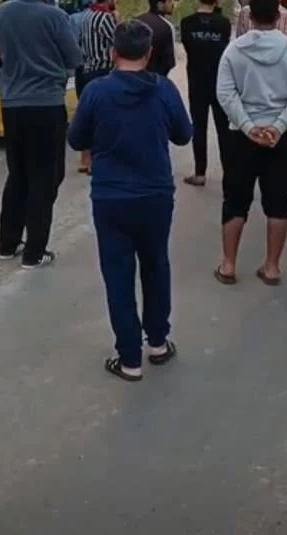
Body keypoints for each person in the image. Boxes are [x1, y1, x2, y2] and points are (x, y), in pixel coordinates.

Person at [68, 20, 193, 381]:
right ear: (150, 53)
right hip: (155, 193)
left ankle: (129, 359)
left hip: (111, 196)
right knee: (156, 265)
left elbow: (77, 140)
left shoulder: (96, 92)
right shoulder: (164, 89)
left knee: (118, 273)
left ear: (112, 53)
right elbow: (184, 135)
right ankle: (157, 341)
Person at [216, 0, 287, 286]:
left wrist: (247, 126)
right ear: (277, 15)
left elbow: (225, 93)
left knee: (235, 200)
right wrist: (279, 126)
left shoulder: (233, 51)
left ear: (250, 15)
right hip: (282, 140)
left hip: (241, 139)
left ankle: (229, 265)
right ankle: (272, 268)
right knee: (278, 202)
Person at [0, 0, 82, 268]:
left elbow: (2, 50)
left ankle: (7, 243)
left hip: (12, 104)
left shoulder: (3, 12)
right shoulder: (55, 17)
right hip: (45, 104)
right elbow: (74, 57)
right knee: (45, 177)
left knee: (17, 173)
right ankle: (34, 252)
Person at [180, 0, 232, 187]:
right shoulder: (224, 23)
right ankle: (230, 173)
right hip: (220, 81)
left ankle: (199, 173)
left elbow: (187, 45)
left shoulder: (186, 23)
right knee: (224, 129)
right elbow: (224, 45)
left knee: (199, 127)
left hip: (196, 80)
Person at [69, 0, 96, 174]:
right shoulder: (102, 18)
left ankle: (85, 158)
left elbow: (71, 45)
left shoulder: (73, 19)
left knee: (84, 109)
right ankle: (95, 158)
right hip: (98, 68)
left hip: (81, 70)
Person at [79, 0, 119, 91]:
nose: (117, 0)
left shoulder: (88, 14)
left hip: (88, 70)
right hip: (102, 70)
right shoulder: (104, 17)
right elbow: (119, 41)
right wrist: (117, 21)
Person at [136, 0, 176, 76]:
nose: (173, 4)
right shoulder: (166, 26)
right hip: (157, 77)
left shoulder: (136, 21)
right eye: (170, 1)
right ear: (160, 4)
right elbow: (169, 62)